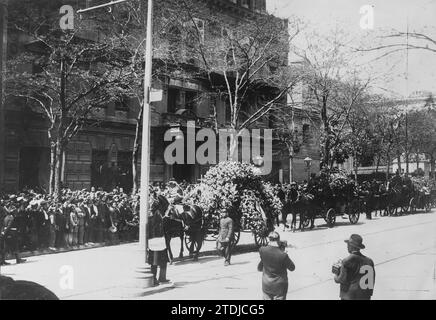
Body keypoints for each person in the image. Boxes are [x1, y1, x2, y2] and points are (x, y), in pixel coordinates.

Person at [333, 234, 375, 300]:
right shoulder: (369, 261)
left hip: (350, 296)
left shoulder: (347, 261)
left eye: (348, 245)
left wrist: (336, 274)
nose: (347, 247)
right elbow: (371, 283)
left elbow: (341, 279)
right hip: (364, 296)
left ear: (351, 246)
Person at [257, 231, 295, 300]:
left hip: (266, 285)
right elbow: (292, 268)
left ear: (269, 239)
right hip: (279, 287)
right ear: (278, 240)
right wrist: (284, 253)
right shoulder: (283, 255)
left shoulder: (262, 250)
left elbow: (259, 268)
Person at [147, 205, 170, 286]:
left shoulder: (152, 219)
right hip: (157, 242)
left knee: (158, 261)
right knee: (156, 262)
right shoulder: (159, 219)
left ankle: (159, 278)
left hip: (156, 242)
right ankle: (156, 279)